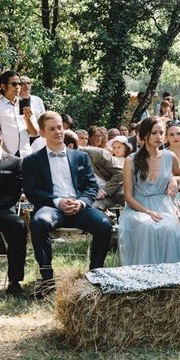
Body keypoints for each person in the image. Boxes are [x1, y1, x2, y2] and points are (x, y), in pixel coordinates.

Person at [23, 112, 112, 298]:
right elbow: (31, 191)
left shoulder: (80, 157)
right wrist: (58, 201)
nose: (57, 132)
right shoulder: (32, 160)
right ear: (42, 133)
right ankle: (47, 279)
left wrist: (81, 202)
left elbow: (91, 186)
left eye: (60, 127)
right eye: (52, 129)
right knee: (38, 223)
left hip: (79, 207)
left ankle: (95, 275)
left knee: (104, 224)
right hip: (51, 207)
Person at [117, 117, 180, 265]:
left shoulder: (169, 156)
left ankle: (168, 275)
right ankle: (144, 276)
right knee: (147, 226)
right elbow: (128, 196)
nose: (159, 137)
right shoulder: (131, 160)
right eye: (154, 133)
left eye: (161, 133)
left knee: (169, 227)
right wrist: (148, 212)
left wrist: (173, 179)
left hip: (163, 206)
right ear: (145, 135)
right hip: (139, 208)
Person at [0, 119, 26, 295]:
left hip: (1, 211)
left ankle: (14, 281)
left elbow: (13, 194)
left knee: (18, 225)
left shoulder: (14, 162)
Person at [0, 70, 38, 157]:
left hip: (26, 154)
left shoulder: (27, 105)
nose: (18, 87)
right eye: (14, 84)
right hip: (7, 157)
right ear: (3, 86)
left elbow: (34, 133)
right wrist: (7, 156)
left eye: (19, 84)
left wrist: (27, 120)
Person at [79, 135, 126, 211]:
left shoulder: (97, 154)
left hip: (118, 189)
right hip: (98, 197)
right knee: (90, 212)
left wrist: (105, 191)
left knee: (136, 207)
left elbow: (120, 172)